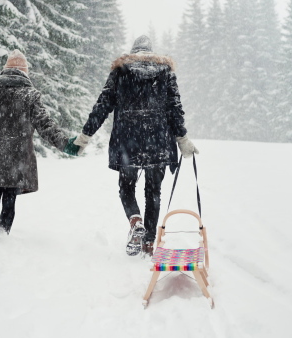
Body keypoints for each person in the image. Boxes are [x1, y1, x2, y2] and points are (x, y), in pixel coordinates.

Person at [73, 36, 198, 256]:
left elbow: (103, 105)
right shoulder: (165, 71)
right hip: (157, 141)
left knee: (126, 188)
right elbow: (175, 108)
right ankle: (149, 242)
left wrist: (85, 136)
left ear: (133, 51)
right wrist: (182, 138)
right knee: (153, 192)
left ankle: (135, 222)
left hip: (127, 141)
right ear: (151, 51)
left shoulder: (121, 71)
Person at [0, 49, 79, 242]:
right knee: (10, 195)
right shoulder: (29, 94)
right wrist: (65, 144)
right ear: (25, 72)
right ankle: (3, 232)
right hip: (18, 156)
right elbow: (46, 125)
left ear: (6, 69)